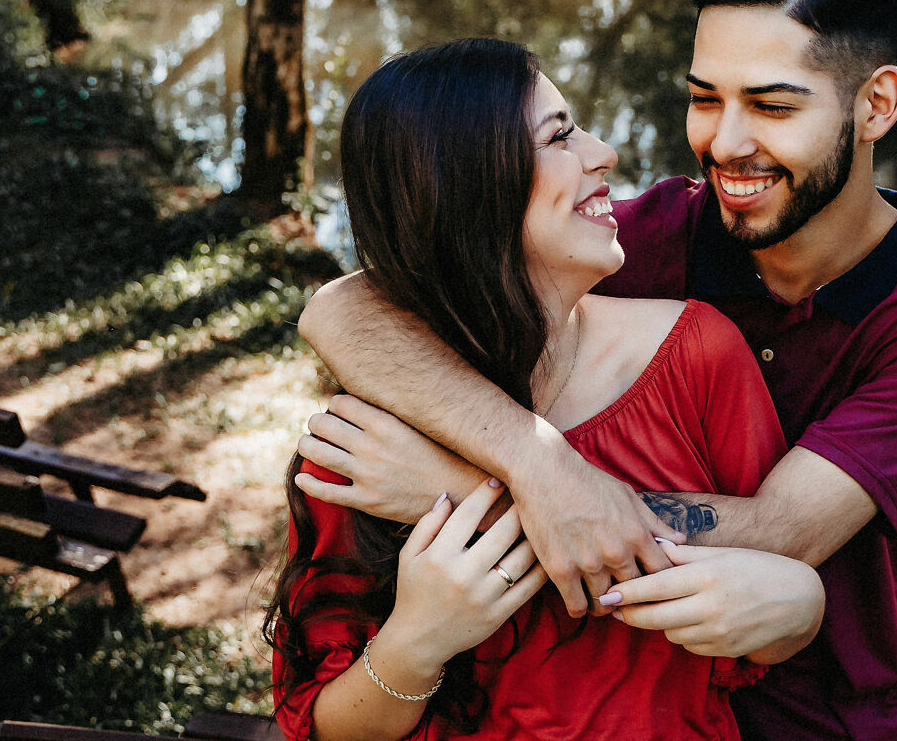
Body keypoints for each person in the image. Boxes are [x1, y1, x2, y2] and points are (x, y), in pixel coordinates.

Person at [294, 0, 897, 740]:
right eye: (705, 98)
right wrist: (535, 462)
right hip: (648, 683)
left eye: (773, 106)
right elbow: (345, 306)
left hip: (834, 706)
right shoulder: (654, 235)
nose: (725, 141)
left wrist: (458, 492)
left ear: (876, 104)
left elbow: (784, 534)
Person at [266, 37, 825, 741]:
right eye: (559, 136)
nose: (603, 153)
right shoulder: (371, 446)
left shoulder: (699, 356)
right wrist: (415, 643)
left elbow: (756, 639)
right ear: (471, 189)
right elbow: (321, 728)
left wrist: (797, 609)